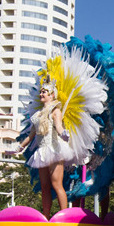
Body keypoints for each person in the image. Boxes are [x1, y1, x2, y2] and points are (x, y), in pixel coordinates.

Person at [18, 80, 73, 217]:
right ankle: (46, 216)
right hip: (41, 151)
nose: (41, 94)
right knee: (44, 186)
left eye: (45, 92)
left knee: (57, 184)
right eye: (41, 92)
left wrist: (64, 134)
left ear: (52, 95)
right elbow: (31, 135)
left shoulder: (55, 111)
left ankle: (64, 216)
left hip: (54, 150)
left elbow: (59, 127)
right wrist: (20, 147)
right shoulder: (37, 115)